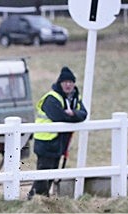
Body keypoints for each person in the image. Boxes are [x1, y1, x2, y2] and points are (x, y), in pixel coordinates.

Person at [29, 66, 88, 199]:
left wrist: (73, 113)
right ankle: (35, 200)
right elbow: (59, 116)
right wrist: (74, 117)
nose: (68, 85)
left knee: (51, 174)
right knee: (43, 175)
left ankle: (42, 200)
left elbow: (83, 114)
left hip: (59, 143)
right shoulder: (51, 98)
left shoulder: (74, 98)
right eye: (65, 82)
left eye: (70, 82)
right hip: (45, 142)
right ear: (60, 83)